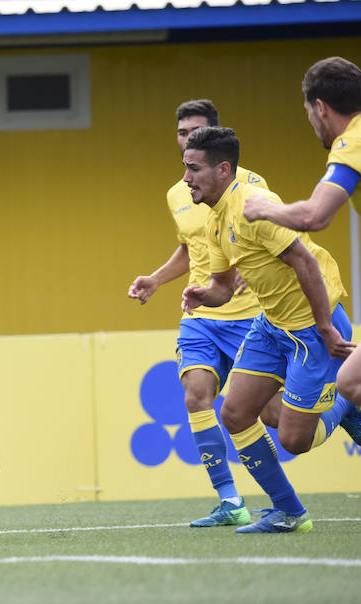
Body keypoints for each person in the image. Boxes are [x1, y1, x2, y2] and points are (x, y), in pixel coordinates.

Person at [181, 126, 356, 533]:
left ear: (223, 169)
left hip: (313, 327)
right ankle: (290, 512)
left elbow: (306, 264)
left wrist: (326, 327)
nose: (186, 178)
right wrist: (202, 295)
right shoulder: (213, 221)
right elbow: (223, 288)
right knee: (236, 412)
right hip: (272, 326)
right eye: (185, 168)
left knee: (294, 439)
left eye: (194, 169)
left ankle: (347, 401)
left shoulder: (255, 206)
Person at [129, 100, 270, 528]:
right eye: (181, 132)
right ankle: (230, 499)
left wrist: (249, 269)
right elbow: (191, 247)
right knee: (195, 395)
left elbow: (270, 233)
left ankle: (343, 409)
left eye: (196, 130)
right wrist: (156, 279)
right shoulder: (178, 192)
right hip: (200, 312)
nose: (187, 138)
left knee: (279, 418)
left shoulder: (251, 184)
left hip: (248, 315)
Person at [241, 57, 361, 434]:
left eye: (308, 112)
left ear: (320, 107)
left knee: (350, 383)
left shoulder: (351, 142)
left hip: (309, 325)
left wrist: (264, 209)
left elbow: (314, 217)